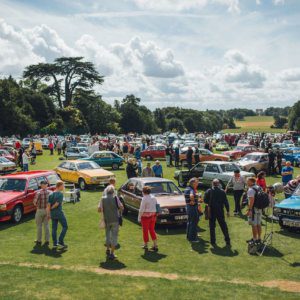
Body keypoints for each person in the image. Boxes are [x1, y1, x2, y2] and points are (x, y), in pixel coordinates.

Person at [98, 185, 123, 260]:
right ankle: (112, 253)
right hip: (115, 219)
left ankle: (107, 249)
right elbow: (121, 207)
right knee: (114, 236)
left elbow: (99, 209)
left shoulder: (102, 199)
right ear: (113, 192)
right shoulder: (115, 198)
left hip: (106, 219)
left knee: (107, 235)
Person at [204, 179, 230, 246]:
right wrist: (228, 211)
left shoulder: (208, 191)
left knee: (212, 226)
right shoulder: (222, 192)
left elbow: (205, 201)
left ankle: (213, 241)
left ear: (212, 184)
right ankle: (227, 240)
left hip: (211, 210)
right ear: (218, 184)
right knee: (223, 226)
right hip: (220, 210)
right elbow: (226, 202)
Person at [47, 181, 68, 249]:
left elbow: (48, 205)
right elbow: (56, 204)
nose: (63, 187)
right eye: (63, 186)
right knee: (65, 226)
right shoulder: (60, 194)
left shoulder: (51, 194)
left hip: (53, 214)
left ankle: (55, 244)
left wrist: (48, 213)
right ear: (60, 186)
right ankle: (60, 241)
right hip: (59, 213)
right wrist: (51, 209)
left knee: (54, 228)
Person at [138, 186, 158, 251]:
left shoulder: (144, 198)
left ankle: (146, 244)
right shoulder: (154, 197)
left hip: (146, 217)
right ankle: (155, 244)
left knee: (145, 230)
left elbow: (141, 209)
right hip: (153, 215)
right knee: (152, 229)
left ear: (144, 192)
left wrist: (139, 217)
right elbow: (157, 205)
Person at [33, 181, 51, 246]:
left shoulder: (38, 193)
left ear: (41, 185)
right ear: (46, 185)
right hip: (47, 210)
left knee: (39, 226)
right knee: (46, 226)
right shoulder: (50, 192)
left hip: (40, 210)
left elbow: (34, 202)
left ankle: (39, 240)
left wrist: (37, 205)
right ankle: (47, 240)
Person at [184, 178, 201, 243]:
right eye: (196, 182)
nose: (197, 183)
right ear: (193, 183)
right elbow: (191, 195)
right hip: (192, 207)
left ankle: (188, 236)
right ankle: (192, 238)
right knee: (193, 222)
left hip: (188, 207)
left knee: (190, 222)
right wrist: (193, 201)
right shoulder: (191, 189)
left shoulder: (187, 188)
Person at [246, 177, 262, 245]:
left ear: (251, 182)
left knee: (254, 225)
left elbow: (251, 201)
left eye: (248, 181)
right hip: (260, 208)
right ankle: (259, 238)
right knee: (258, 224)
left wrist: (249, 210)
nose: (247, 182)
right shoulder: (258, 187)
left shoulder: (251, 190)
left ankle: (254, 239)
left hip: (254, 209)